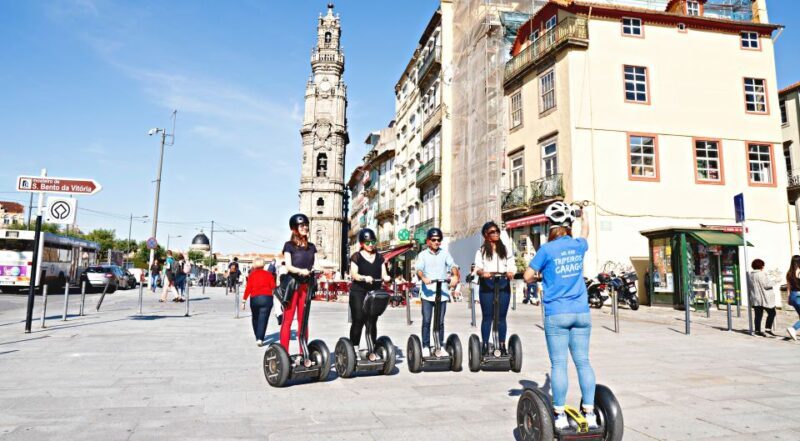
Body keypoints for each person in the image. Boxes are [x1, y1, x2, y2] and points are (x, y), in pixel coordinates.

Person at [524, 201, 597, 430]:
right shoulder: (578, 245)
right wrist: (583, 215)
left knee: (559, 364)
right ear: (568, 225)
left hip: (557, 313)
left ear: (550, 226)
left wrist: (539, 278)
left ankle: (559, 415)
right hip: (581, 313)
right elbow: (586, 231)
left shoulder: (546, 250)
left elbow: (527, 276)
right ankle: (590, 412)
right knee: (583, 362)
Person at [415, 227, 460, 357]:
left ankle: (439, 345)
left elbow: (453, 265)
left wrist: (455, 276)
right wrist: (423, 278)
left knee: (440, 321)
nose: (436, 242)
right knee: (427, 321)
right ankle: (425, 346)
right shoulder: (422, 255)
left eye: (439, 240)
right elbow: (419, 269)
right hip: (428, 294)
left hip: (442, 293)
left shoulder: (445, 253)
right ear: (428, 241)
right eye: (434, 240)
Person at [473, 221, 516, 355]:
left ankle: (502, 345)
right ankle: (485, 344)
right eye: (493, 232)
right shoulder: (481, 251)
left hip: (503, 284)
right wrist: (482, 273)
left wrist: (511, 272)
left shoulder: (505, 249)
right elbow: (477, 268)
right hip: (487, 285)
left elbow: (512, 264)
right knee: (488, 317)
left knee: (501, 317)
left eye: (497, 231)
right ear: (486, 234)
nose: (496, 233)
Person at [348, 228, 391, 357]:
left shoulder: (379, 257)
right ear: (361, 243)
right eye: (367, 242)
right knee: (358, 319)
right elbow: (354, 274)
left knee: (372, 321)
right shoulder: (356, 256)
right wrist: (363, 277)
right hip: (358, 292)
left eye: (373, 242)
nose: (371, 245)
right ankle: (354, 348)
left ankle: (372, 348)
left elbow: (384, 273)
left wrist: (387, 277)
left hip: (374, 292)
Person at [280, 214, 318, 356]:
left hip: (306, 286)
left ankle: (304, 353)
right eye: (302, 226)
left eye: (306, 225)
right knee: (288, 320)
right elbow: (289, 266)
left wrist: (321, 269)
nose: (305, 228)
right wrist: (301, 270)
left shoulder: (312, 247)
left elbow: (316, 263)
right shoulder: (289, 246)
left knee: (303, 321)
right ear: (294, 228)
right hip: (292, 285)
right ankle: (284, 353)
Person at [241, 258, 277, 347]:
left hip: (255, 298)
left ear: (254, 265)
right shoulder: (269, 274)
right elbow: (273, 287)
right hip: (267, 298)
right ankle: (260, 338)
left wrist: (244, 300)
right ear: (264, 265)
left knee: (255, 318)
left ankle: (257, 336)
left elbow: (248, 288)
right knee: (263, 319)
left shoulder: (252, 275)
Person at [748, 259, 776, 337]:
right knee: (772, 313)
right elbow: (766, 285)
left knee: (758, 315)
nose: (763, 266)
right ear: (761, 266)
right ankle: (768, 330)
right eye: (763, 265)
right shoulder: (761, 274)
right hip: (764, 297)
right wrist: (775, 281)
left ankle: (757, 330)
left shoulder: (751, 275)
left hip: (755, 298)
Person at [785, 255, 800, 341]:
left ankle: (794, 329)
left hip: (793, 296)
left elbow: (788, 287)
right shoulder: (799, 272)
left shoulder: (789, 273)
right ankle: (793, 329)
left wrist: (788, 298)